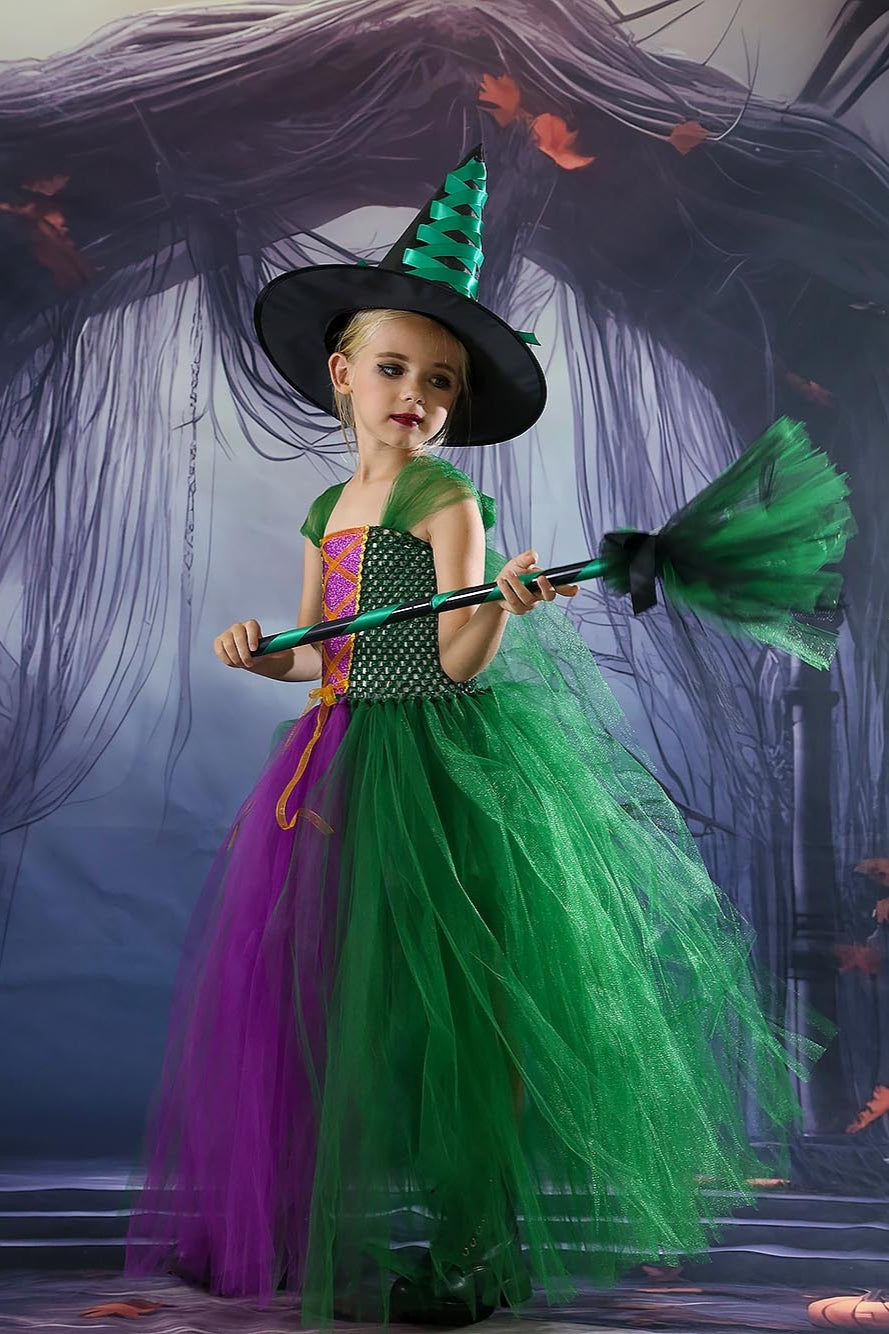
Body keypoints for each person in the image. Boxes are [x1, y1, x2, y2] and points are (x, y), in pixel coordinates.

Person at [124, 147, 834, 1328]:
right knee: (324, 994)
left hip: (433, 763)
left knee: (458, 1002)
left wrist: (498, 609)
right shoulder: (329, 507)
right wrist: (264, 653)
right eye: (394, 367)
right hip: (337, 759)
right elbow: (324, 654)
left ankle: (474, 1247)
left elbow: (450, 661)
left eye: (441, 381)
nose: (417, 393)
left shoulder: (443, 499)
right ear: (342, 373)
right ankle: (299, 1222)